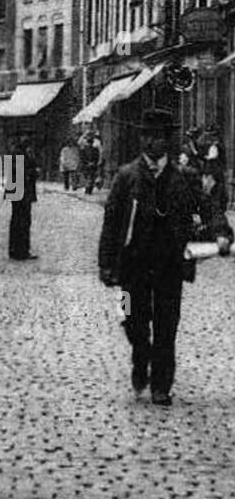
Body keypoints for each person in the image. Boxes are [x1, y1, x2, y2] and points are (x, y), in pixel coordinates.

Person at [97, 108, 232, 406]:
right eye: (146, 135)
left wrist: (222, 232)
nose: (150, 142)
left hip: (170, 264)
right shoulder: (126, 176)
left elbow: (209, 207)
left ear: (167, 141)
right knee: (130, 318)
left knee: (166, 325)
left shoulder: (185, 177)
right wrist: (106, 264)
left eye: (157, 137)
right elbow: (111, 222)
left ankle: (161, 385)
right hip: (131, 267)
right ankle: (140, 355)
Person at [7, 137, 38, 261]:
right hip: (21, 191)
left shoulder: (19, 152)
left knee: (18, 220)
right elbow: (21, 172)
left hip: (19, 190)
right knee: (22, 220)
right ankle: (21, 251)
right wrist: (33, 171)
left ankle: (17, 250)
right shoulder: (19, 153)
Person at [79, 129, 101, 196]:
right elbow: (82, 157)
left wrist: (90, 162)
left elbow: (82, 157)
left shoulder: (93, 149)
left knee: (90, 177)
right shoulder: (93, 149)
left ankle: (88, 189)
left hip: (89, 165)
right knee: (89, 177)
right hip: (89, 164)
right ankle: (88, 189)